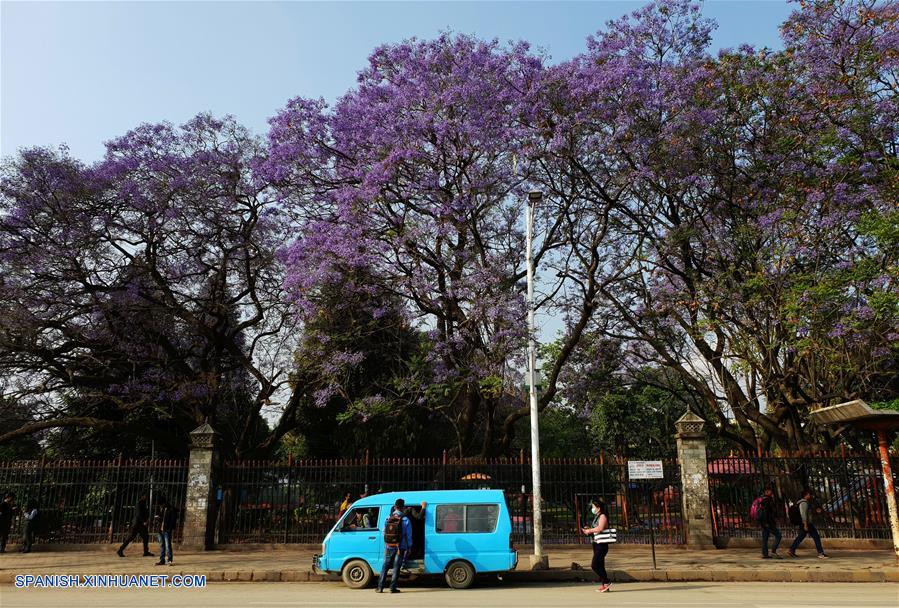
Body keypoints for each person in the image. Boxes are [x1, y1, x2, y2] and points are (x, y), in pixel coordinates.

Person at [376, 499, 413, 594]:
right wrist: (409, 546)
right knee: (396, 567)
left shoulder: (388, 518)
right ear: (403, 507)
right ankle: (392, 588)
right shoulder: (405, 519)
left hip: (389, 546)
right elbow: (408, 535)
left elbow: (384, 531)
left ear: (395, 507)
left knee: (385, 566)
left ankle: (380, 587)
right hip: (400, 547)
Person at [581, 498, 614, 593]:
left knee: (594, 565)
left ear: (598, 508)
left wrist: (590, 530)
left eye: (593, 507)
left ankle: (607, 581)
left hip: (602, 545)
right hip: (596, 543)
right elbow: (596, 529)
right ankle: (605, 585)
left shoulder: (603, 516)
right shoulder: (597, 516)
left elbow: (600, 528)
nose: (592, 508)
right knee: (600, 565)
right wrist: (588, 530)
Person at [788, 488, 829, 559]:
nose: (810, 496)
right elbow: (803, 514)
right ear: (806, 495)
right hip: (806, 523)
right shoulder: (803, 503)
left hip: (805, 523)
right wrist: (805, 524)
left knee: (800, 537)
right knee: (816, 537)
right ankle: (820, 553)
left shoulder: (804, 502)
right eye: (809, 494)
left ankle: (792, 550)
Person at [117, 493, 152, 557]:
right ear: (141, 496)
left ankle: (146, 552)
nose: (146, 497)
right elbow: (138, 514)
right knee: (131, 537)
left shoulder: (143, 503)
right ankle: (120, 550)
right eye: (144, 495)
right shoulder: (139, 503)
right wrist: (143, 521)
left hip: (140, 524)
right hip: (138, 524)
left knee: (145, 537)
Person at [757, 487, 782, 559]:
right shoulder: (767, 500)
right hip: (768, 523)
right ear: (767, 492)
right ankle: (773, 551)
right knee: (778, 535)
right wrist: (768, 522)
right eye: (770, 491)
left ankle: (765, 554)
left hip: (764, 523)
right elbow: (767, 513)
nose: (771, 492)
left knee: (765, 538)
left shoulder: (762, 500)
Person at [153, 495, 178, 566]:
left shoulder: (171, 509)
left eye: (161, 504)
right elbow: (161, 518)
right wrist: (158, 518)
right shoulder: (162, 509)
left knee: (168, 545)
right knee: (162, 545)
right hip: (160, 530)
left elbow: (173, 520)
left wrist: (170, 529)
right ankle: (162, 560)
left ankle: (169, 560)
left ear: (164, 502)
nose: (160, 505)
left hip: (166, 530)